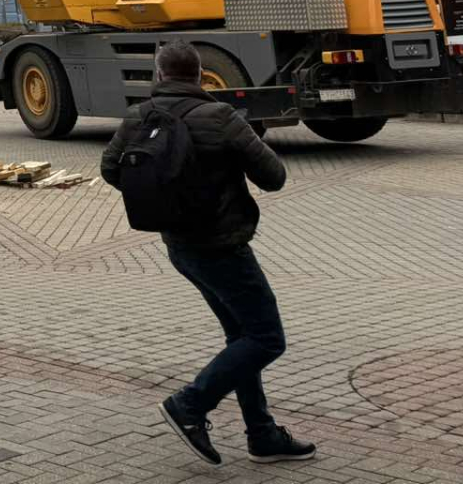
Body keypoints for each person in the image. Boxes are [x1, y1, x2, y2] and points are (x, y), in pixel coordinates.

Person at [101, 41, 312, 467]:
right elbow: (274, 177)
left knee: (243, 337)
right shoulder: (221, 117)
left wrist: (167, 198)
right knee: (267, 338)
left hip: (179, 246)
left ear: (159, 76)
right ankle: (190, 404)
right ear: (199, 76)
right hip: (223, 247)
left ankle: (262, 435)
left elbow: (111, 167)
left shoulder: (138, 117)